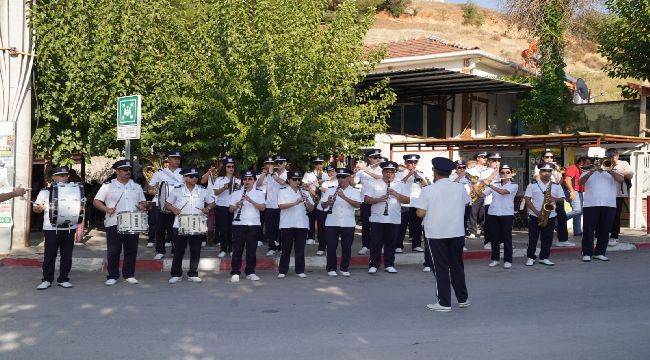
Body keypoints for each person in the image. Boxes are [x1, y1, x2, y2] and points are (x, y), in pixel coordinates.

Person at [413, 157, 470, 312]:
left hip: (436, 234)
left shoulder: (428, 190)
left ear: (435, 172)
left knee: (440, 268)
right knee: (457, 266)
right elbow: (466, 203)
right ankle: (463, 298)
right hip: (456, 232)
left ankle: (444, 302)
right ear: (450, 172)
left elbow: (420, 213)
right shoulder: (460, 188)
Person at [93, 160, 148, 286]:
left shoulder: (136, 186)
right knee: (114, 250)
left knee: (131, 250)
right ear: (117, 171)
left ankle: (129, 274)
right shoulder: (108, 186)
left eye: (129, 170)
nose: (128, 172)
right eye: (124, 170)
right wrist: (106, 209)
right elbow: (96, 201)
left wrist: (142, 205)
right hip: (114, 222)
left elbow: (142, 202)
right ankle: (112, 275)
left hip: (132, 222)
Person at [166, 167, 215, 283]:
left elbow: (212, 202)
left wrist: (207, 208)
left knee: (195, 249)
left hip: (197, 223)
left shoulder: (203, 190)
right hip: (180, 224)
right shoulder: (177, 190)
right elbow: (167, 204)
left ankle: (193, 273)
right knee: (178, 250)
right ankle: (176, 274)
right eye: (191, 176)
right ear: (184, 178)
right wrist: (174, 209)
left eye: (196, 176)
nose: (194, 178)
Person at [33, 167, 78, 290]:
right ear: (53, 177)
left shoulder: (75, 190)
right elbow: (35, 208)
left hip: (69, 227)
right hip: (51, 228)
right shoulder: (45, 192)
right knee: (49, 255)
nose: (65, 177)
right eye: (61, 175)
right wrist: (38, 208)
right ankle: (47, 279)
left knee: (67, 255)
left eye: (66, 175)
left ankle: (63, 279)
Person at [364, 161, 410, 274]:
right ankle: (373, 265)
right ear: (383, 172)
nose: (389, 174)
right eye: (387, 171)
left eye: (391, 172)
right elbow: (366, 199)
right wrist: (378, 199)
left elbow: (407, 200)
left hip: (393, 219)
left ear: (394, 173)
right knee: (375, 243)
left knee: (391, 243)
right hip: (377, 219)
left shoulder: (400, 184)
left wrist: (395, 194)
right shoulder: (374, 183)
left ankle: (389, 264)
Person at [580, 154, 624, 261]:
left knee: (605, 229)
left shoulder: (613, 170)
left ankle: (600, 252)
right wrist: (592, 171)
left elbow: (621, 179)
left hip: (609, 204)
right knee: (588, 230)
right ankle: (586, 253)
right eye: (598, 161)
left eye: (602, 160)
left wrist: (609, 170)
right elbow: (580, 182)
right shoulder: (587, 171)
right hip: (591, 204)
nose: (600, 163)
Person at [321, 168, 362, 276]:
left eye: (343, 177)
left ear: (349, 178)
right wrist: (328, 202)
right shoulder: (330, 190)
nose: (340, 179)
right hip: (332, 222)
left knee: (347, 247)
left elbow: (358, 205)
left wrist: (344, 197)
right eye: (338, 177)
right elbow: (322, 205)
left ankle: (344, 268)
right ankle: (331, 269)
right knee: (331, 246)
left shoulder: (355, 191)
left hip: (348, 223)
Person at [524, 163, 565, 266]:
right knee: (533, 238)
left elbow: (562, 199)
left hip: (550, 215)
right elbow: (527, 200)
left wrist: (553, 199)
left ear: (551, 173)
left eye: (549, 171)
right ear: (540, 172)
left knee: (547, 238)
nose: (547, 173)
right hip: (535, 215)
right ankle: (530, 257)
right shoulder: (532, 185)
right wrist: (535, 211)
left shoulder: (556, 185)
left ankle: (544, 257)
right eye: (544, 171)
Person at [228, 170, 266, 282]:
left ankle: (250, 272)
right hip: (238, 224)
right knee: (237, 249)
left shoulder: (259, 193)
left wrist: (251, 201)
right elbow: (230, 209)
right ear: (242, 181)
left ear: (254, 180)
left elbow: (263, 208)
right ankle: (235, 272)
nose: (247, 181)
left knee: (251, 250)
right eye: (245, 179)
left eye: (250, 179)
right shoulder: (236, 193)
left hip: (253, 224)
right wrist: (236, 206)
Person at [277, 171, 315, 278]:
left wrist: (307, 200)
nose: (297, 181)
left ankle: (300, 270)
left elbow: (311, 208)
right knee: (286, 249)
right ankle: (283, 271)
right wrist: (296, 202)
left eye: (299, 179)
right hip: (287, 224)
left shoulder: (304, 192)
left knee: (300, 249)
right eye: (294, 179)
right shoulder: (283, 191)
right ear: (289, 180)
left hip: (301, 224)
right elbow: (280, 205)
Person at [534, 149, 574, 247]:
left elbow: (560, 181)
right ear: (543, 158)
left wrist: (557, 171)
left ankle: (563, 240)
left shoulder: (556, 168)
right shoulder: (539, 167)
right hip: (545, 194)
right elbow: (537, 177)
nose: (549, 159)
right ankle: (543, 239)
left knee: (562, 216)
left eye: (551, 157)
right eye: (547, 157)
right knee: (545, 217)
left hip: (557, 194)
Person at [148, 150, 183, 260]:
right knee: (160, 229)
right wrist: (159, 194)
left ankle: (175, 250)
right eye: (174, 158)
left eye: (178, 159)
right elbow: (150, 188)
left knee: (175, 229)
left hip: (177, 206)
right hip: (161, 205)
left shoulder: (183, 173)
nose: (177, 160)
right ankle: (160, 250)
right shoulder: (159, 173)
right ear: (168, 159)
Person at [483, 164, 518, 268]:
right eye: (502, 172)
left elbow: (503, 192)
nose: (505, 174)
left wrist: (489, 184)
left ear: (511, 174)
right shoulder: (495, 183)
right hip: (493, 213)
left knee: (507, 238)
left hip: (506, 214)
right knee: (494, 238)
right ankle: (495, 259)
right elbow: (482, 194)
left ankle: (508, 260)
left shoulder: (514, 185)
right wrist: (475, 184)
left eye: (507, 172)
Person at [207, 156, 241, 258]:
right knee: (223, 229)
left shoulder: (238, 180)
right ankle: (223, 249)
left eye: (232, 166)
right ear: (225, 168)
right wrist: (224, 187)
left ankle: (231, 249)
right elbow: (216, 193)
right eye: (229, 166)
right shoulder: (219, 179)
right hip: (222, 207)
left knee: (232, 229)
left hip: (233, 207)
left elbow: (239, 193)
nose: (231, 168)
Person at [396, 154, 428, 254]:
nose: (413, 164)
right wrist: (409, 174)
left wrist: (418, 177)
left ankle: (416, 245)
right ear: (406, 163)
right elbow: (398, 184)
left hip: (416, 203)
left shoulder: (420, 174)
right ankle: (398, 246)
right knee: (402, 226)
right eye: (410, 162)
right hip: (404, 204)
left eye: (415, 163)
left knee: (416, 226)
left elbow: (425, 186)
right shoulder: (400, 173)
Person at [354, 149, 383, 255]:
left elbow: (380, 177)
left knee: (378, 225)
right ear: (370, 158)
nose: (378, 159)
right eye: (375, 157)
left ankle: (379, 246)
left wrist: (365, 170)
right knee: (366, 225)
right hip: (365, 201)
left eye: (379, 157)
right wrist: (352, 174)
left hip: (379, 201)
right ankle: (365, 245)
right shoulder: (361, 171)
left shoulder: (383, 169)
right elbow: (353, 183)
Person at [257, 155, 287, 256]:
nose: (278, 165)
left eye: (280, 163)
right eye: (276, 163)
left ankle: (281, 247)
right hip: (269, 205)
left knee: (281, 228)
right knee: (270, 229)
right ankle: (272, 247)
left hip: (281, 205)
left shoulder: (286, 174)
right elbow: (258, 184)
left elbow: (282, 182)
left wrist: (272, 174)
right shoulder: (268, 175)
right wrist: (265, 173)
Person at [607, 148, 634, 246]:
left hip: (618, 193)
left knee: (616, 215)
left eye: (613, 155)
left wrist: (618, 172)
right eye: (610, 155)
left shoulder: (623, 163)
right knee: (604, 215)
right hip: (605, 193)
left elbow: (630, 174)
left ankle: (614, 236)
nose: (612, 157)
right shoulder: (605, 162)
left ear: (617, 155)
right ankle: (602, 235)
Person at [310, 165, 337, 255]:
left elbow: (325, 190)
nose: (331, 173)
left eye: (333, 171)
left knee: (331, 229)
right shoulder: (325, 182)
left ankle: (330, 247)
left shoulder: (339, 183)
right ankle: (321, 247)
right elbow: (321, 191)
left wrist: (320, 186)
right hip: (321, 208)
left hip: (332, 208)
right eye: (329, 172)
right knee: (321, 229)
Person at [477, 153, 501, 250]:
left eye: (498, 160)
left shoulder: (503, 171)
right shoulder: (485, 171)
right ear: (489, 161)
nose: (497, 162)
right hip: (489, 200)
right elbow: (485, 184)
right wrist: (496, 172)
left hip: (501, 201)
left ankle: (500, 241)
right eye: (494, 160)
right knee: (489, 223)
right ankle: (488, 241)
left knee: (500, 223)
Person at [563, 156, 591, 238]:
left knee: (579, 211)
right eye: (587, 163)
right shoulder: (573, 168)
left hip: (579, 191)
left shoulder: (582, 170)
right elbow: (567, 180)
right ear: (581, 162)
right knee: (578, 210)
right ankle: (558, 221)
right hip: (572, 190)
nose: (588, 165)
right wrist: (572, 191)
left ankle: (577, 231)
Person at [303, 156, 327, 245]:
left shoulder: (325, 175)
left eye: (320, 163)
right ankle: (311, 236)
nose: (318, 165)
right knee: (311, 218)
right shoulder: (308, 174)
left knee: (322, 219)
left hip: (323, 199)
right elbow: (304, 185)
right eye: (316, 163)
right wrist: (308, 187)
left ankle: (322, 238)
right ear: (313, 164)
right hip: (311, 198)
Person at [466, 152, 491, 239]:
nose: (485, 159)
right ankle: (472, 231)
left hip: (486, 194)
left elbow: (490, 181)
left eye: (486, 157)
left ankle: (483, 229)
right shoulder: (471, 170)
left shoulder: (488, 170)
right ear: (477, 158)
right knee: (473, 213)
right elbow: (470, 182)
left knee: (482, 213)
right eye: (483, 157)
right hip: (474, 194)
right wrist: (476, 191)